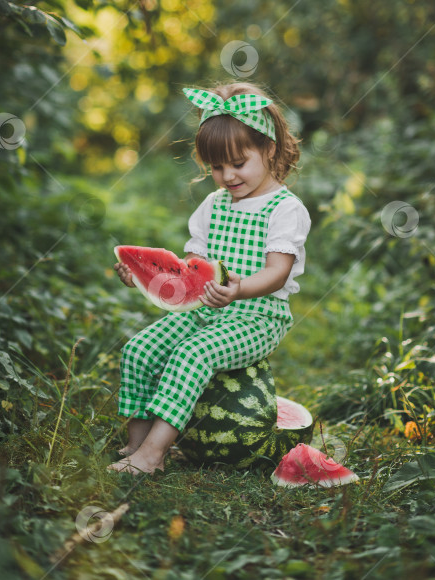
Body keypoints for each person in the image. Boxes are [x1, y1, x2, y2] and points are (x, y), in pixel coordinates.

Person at [109, 81, 311, 475]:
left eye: (238, 163)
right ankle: (134, 444)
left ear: (268, 149)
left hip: (257, 318)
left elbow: (277, 272)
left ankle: (152, 456)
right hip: (207, 309)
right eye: (216, 167)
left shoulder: (285, 208)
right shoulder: (212, 204)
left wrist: (239, 290)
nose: (227, 176)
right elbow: (190, 271)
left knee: (192, 355)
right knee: (138, 350)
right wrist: (142, 275)